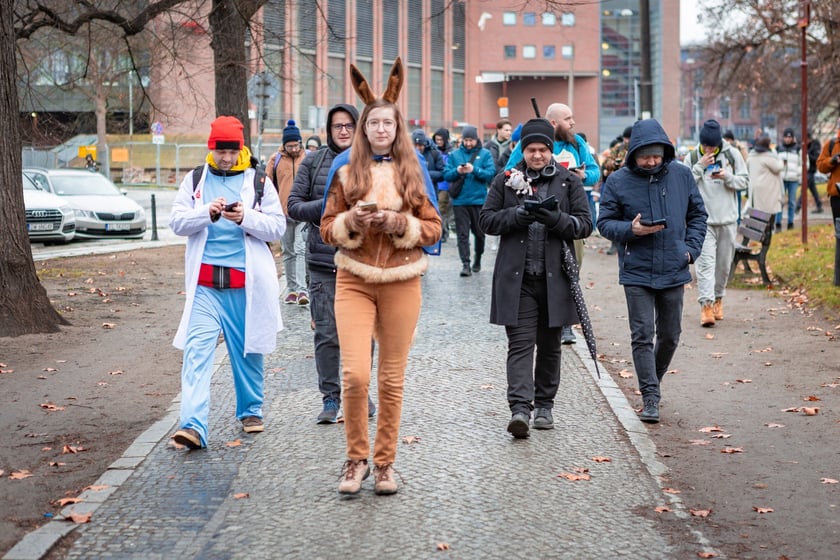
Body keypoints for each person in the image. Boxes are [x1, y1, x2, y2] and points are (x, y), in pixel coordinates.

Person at [320, 58, 441, 496]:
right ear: (364, 128)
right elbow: (326, 227)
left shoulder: (414, 171)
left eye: (388, 122)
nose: (381, 129)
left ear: (397, 127)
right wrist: (351, 221)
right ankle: (356, 459)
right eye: (373, 123)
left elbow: (434, 229)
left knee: (391, 379)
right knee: (355, 375)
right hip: (353, 279)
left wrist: (400, 224)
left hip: (402, 280)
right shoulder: (344, 170)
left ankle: (385, 463)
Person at [169, 116, 286, 449]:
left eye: (232, 151)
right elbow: (177, 222)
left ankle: (251, 410)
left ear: (240, 148)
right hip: (205, 287)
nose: (226, 158)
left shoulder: (258, 181)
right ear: (211, 148)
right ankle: (193, 426)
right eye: (220, 151)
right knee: (196, 354)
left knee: (248, 351)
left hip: (244, 285)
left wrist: (245, 217)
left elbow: (277, 227)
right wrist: (206, 213)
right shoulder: (195, 179)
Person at [478, 118, 593, 438]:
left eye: (543, 149)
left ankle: (544, 405)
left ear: (551, 150)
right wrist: (517, 215)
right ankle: (519, 409)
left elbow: (585, 225)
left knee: (550, 346)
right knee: (520, 345)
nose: (538, 155)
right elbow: (486, 220)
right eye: (531, 150)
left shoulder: (568, 182)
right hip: (518, 281)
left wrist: (556, 219)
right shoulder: (505, 181)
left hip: (555, 280)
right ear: (522, 150)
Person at [597, 119, 707, 424]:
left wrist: (690, 250)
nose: (651, 162)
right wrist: (629, 230)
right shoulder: (618, 181)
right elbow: (604, 222)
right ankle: (650, 397)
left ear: (665, 153)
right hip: (636, 268)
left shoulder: (681, 175)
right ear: (634, 154)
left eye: (656, 156)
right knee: (643, 335)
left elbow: (698, 215)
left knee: (670, 335)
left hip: (674, 264)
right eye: (645, 156)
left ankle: (651, 383)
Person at [287, 103, 379, 424]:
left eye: (349, 125)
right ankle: (330, 397)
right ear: (329, 130)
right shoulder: (313, 162)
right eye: (337, 126)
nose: (343, 131)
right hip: (323, 263)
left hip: (361, 262)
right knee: (327, 334)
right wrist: (330, 206)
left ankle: (360, 392)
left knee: (363, 334)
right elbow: (294, 206)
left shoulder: (372, 162)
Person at [506, 103, 601, 344]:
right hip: (534, 220)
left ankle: (565, 323)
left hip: (571, 218)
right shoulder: (529, 144)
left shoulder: (577, 143)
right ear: (554, 123)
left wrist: (581, 176)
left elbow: (595, 172)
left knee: (570, 269)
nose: (573, 122)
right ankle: (533, 316)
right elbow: (509, 172)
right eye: (568, 118)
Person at [684, 119, 748, 328]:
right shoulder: (693, 157)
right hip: (703, 221)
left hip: (727, 220)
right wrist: (700, 167)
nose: (709, 150)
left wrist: (727, 176)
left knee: (723, 266)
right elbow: (683, 184)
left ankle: (718, 298)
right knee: (705, 265)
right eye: (705, 145)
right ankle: (706, 305)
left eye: (712, 146)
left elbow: (745, 181)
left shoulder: (732, 155)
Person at [442, 125, 496, 277]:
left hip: (478, 201)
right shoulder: (455, 155)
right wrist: (457, 171)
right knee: (462, 234)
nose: (468, 143)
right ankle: (465, 264)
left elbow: (491, 174)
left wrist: (475, 170)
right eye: (465, 140)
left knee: (480, 234)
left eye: (471, 140)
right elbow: (446, 174)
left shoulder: (485, 154)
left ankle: (478, 257)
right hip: (460, 201)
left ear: (476, 139)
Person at [267, 120, 309, 305]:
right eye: (290, 146)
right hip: (283, 212)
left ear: (300, 142)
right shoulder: (275, 159)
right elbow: (267, 185)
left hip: (303, 211)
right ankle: (291, 289)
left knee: (300, 249)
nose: (293, 148)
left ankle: (302, 290)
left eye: (296, 145)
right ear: (284, 145)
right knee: (288, 251)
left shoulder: (308, 157)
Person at [602, 127, 632, 255]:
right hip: (617, 186)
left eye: (628, 138)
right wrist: (616, 164)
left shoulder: (637, 148)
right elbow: (606, 163)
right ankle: (614, 244)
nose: (627, 141)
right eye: (625, 138)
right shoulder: (618, 148)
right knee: (614, 215)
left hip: (632, 186)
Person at [745, 134, 784, 216]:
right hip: (767, 189)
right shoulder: (767, 157)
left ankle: (757, 221)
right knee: (767, 212)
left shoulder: (751, 157)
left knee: (757, 211)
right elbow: (778, 167)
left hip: (754, 188)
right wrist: (781, 161)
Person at [816, 118, 840, 235]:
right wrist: (832, 161)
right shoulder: (832, 144)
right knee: (839, 232)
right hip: (837, 195)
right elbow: (820, 166)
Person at [776, 128, 803, 231]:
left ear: (792, 138)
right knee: (780, 201)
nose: (787, 139)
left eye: (789, 137)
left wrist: (797, 172)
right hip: (781, 179)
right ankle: (778, 223)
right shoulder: (779, 148)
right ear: (783, 138)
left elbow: (804, 163)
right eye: (786, 137)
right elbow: (774, 162)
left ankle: (790, 223)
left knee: (791, 202)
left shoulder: (798, 149)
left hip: (793, 179)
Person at [433, 127, 455, 242]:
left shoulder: (451, 152)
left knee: (442, 209)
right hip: (434, 184)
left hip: (445, 185)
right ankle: (443, 231)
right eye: (437, 139)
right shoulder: (433, 150)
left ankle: (442, 232)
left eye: (441, 140)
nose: (438, 142)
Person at [798, 131, 824, 214]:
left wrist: (807, 155)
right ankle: (819, 205)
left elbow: (816, 158)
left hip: (811, 169)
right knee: (812, 189)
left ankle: (798, 206)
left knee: (804, 188)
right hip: (807, 169)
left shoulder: (815, 145)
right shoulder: (807, 145)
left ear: (809, 139)